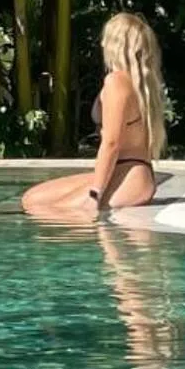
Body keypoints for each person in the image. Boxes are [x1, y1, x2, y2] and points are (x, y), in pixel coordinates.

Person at [21, 13, 166, 222]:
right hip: (131, 172)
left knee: (48, 213)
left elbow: (111, 143)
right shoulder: (137, 84)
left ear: (114, 44)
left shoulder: (117, 82)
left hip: (129, 175)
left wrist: (94, 194)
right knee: (32, 199)